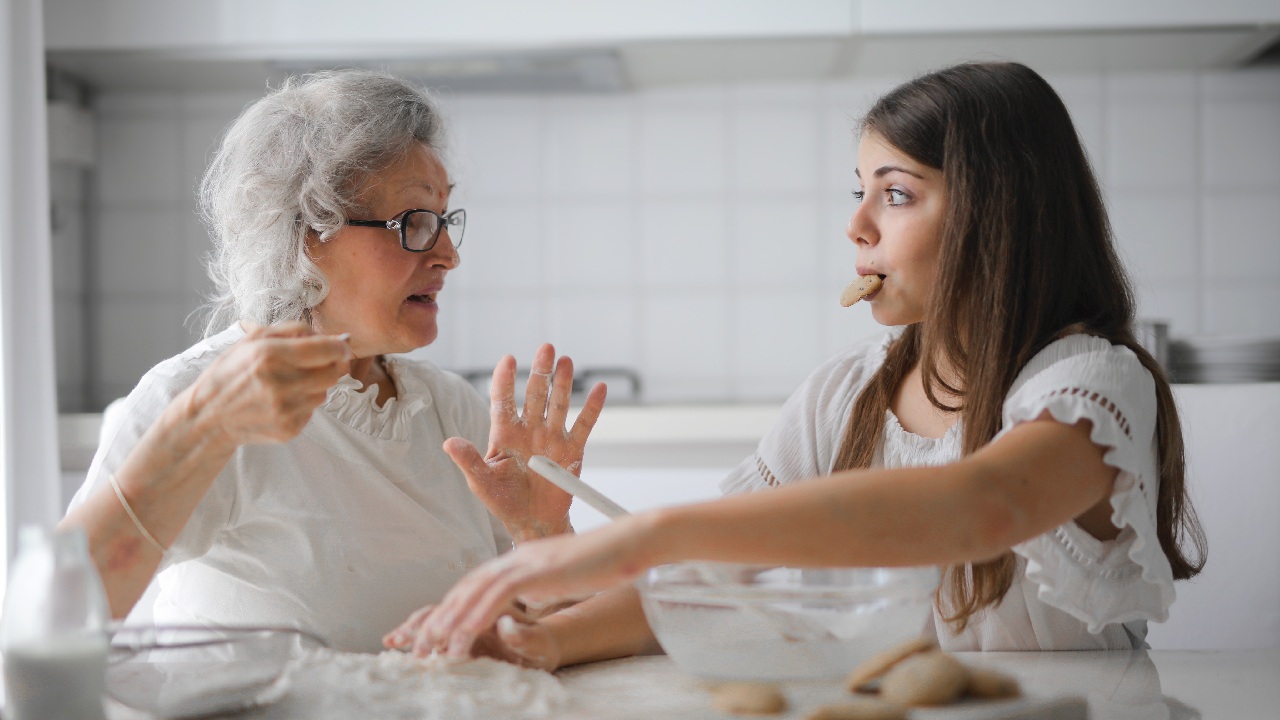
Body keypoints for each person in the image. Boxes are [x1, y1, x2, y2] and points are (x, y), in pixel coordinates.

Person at [386, 61, 1207, 664]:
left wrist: (654, 530)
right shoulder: (846, 394)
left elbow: (981, 506)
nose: (856, 226)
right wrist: (546, 640)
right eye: (858, 191)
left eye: (895, 193)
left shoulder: (1091, 385)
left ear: (1000, 214)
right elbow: (715, 578)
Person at [59, 70, 605, 652]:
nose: (448, 254)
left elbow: (532, 640)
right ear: (303, 234)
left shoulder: (450, 411)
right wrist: (199, 429)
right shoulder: (195, 395)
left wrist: (541, 532)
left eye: (445, 221)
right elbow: (59, 614)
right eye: (414, 223)